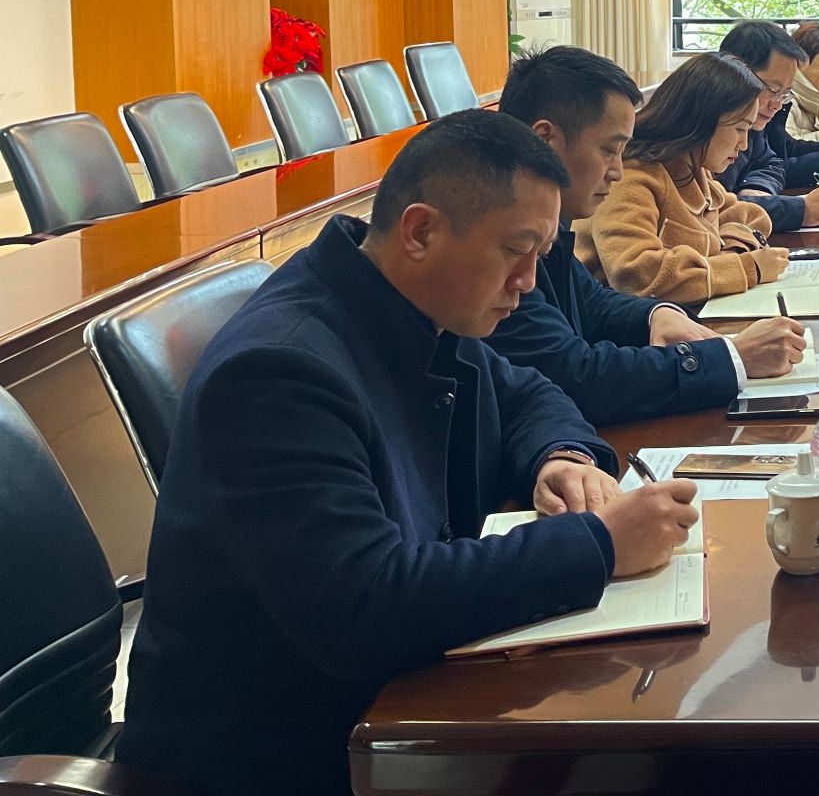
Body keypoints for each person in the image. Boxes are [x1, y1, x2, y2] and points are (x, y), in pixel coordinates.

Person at [119, 111, 702, 796]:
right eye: (516, 251)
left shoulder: (410, 300)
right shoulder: (279, 373)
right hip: (282, 754)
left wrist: (563, 456)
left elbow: (526, 393)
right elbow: (367, 607)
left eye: (541, 255)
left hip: (389, 703)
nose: (527, 282)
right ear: (420, 231)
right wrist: (600, 544)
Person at [491, 46, 806, 422]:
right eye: (609, 151)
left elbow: (592, 303)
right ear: (545, 140)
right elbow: (575, 376)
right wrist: (731, 358)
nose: (617, 171)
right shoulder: (495, 244)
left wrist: (656, 314)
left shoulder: (548, 227)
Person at [579, 53, 790, 301]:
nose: (743, 144)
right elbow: (635, 274)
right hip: (626, 320)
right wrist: (745, 268)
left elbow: (751, 216)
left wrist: (731, 252)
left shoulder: (692, 167)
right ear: (701, 120)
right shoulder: (630, 176)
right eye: (739, 129)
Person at [715, 21, 819, 232]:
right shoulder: (702, 126)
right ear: (737, 72)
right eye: (773, 90)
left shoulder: (753, 121)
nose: (777, 104)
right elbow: (711, 210)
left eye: (785, 93)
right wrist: (800, 210)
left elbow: (770, 163)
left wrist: (757, 187)